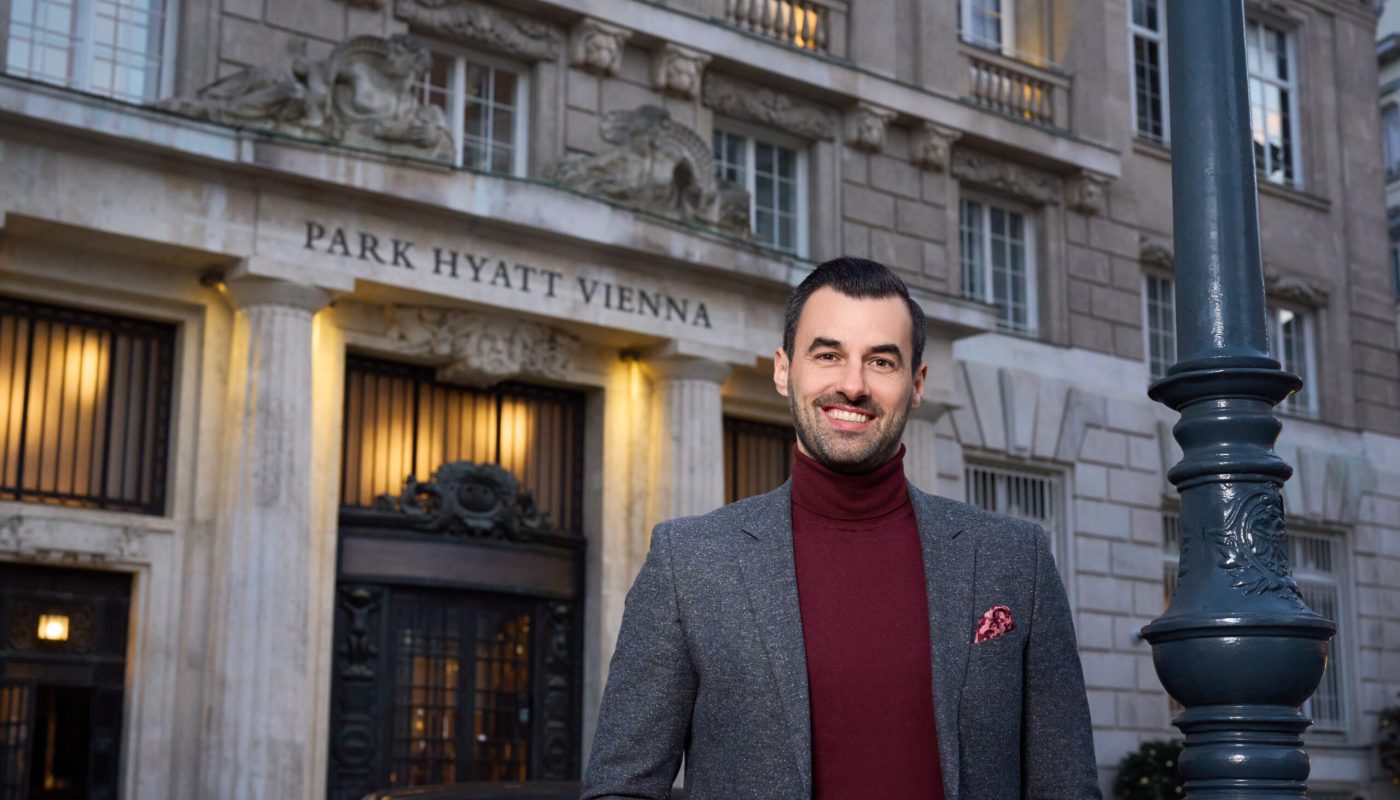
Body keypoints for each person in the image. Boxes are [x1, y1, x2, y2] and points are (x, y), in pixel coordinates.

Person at [581, 257, 1101, 800]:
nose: (852, 385)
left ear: (917, 383)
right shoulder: (689, 561)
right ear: (784, 369)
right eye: (828, 355)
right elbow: (622, 786)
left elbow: (1065, 783)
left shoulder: (1014, 558)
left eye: (881, 361)